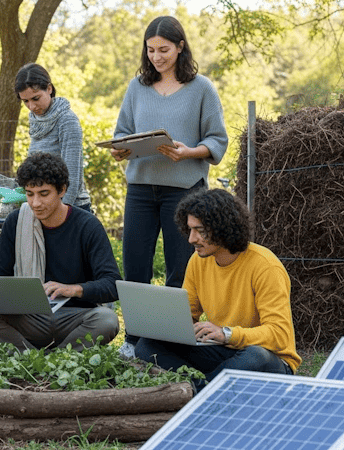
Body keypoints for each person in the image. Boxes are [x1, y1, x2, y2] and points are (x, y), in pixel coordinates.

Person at [112, 16, 229, 358]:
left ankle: (170, 341)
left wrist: (189, 151)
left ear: (181, 47)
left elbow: (217, 140)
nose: (157, 57)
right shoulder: (137, 87)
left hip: (185, 192)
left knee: (181, 270)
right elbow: (122, 131)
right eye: (150, 50)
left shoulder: (202, 88)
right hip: (140, 189)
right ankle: (133, 340)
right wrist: (120, 149)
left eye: (164, 49)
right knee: (135, 267)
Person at [134, 189, 301, 391]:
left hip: (269, 359)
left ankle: (199, 392)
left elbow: (279, 334)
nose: (191, 239)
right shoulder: (197, 261)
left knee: (255, 356)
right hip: (222, 349)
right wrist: (168, 326)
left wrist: (227, 334)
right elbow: (189, 315)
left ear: (223, 227)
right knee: (147, 345)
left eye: (200, 230)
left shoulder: (265, 266)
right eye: (190, 230)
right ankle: (205, 389)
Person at [0, 153, 121, 351]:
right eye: (30, 194)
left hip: (74, 318)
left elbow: (112, 285)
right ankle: (30, 356)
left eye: (44, 193)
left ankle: (58, 358)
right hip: (28, 318)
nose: (35, 203)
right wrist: (4, 294)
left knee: (107, 320)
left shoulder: (88, 226)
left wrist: (73, 289)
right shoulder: (16, 222)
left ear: (62, 190)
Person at [15, 63, 92, 211]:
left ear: (49, 89)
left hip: (70, 207)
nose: (31, 106)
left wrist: (63, 211)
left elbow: (72, 175)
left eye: (35, 98)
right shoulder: (36, 119)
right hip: (44, 207)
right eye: (25, 101)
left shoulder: (66, 120)